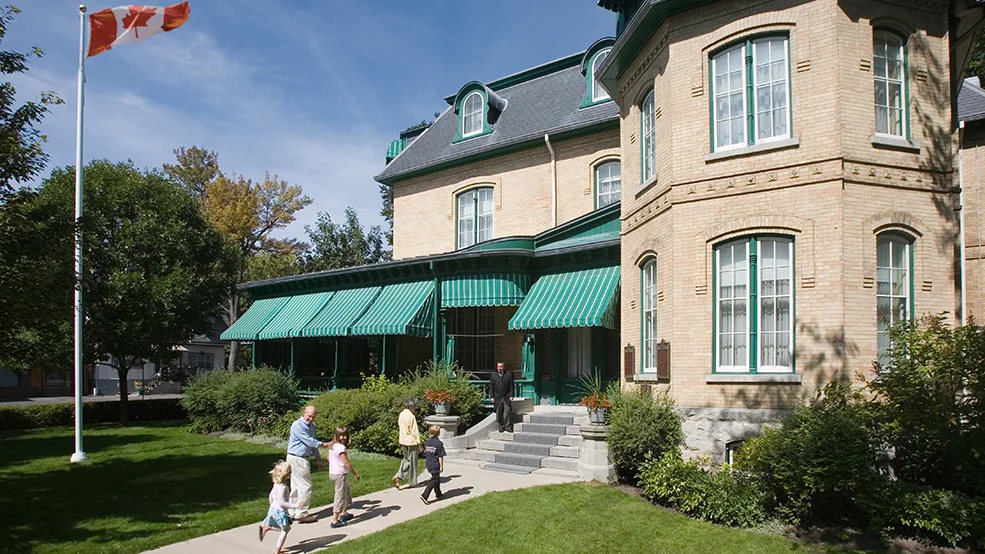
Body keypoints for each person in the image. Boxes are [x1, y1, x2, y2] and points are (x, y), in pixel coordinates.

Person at [286, 405, 330, 523]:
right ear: (304, 413)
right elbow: (309, 441)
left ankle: (293, 512)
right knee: (305, 486)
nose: (310, 419)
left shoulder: (312, 426)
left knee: (296, 486)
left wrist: (318, 458)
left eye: (313, 417)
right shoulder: (297, 425)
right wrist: (324, 444)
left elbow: (312, 443)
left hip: (302, 457)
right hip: (296, 458)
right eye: (309, 416)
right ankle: (301, 513)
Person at [258, 460, 297, 554]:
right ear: (287, 473)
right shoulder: (283, 487)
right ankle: (277, 551)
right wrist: (296, 505)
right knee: (285, 530)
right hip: (280, 511)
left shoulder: (276, 484)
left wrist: (271, 505)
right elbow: (282, 503)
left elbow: (271, 495)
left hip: (273, 509)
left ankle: (266, 527)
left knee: (285, 528)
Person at [328, 426, 360, 528]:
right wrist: (355, 474)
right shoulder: (341, 448)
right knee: (339, 497)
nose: (343, 438)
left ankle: (344, 513)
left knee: (347, 491)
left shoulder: (332, 445)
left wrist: (334, 464)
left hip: (332, 473)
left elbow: (328, 457)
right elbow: (346, 463)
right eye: (341, 435)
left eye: (345, 435)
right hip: (339, 474)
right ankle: (335, 521)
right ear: (336, 436)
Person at [392, 397, 421, 489]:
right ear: (411, 406)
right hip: (411, 441)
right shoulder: (411, 416)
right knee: (413, 463)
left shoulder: (401, 414)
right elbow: (414, 431)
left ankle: (399, 475)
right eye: (415, 406)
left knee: (406, 460)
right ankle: (413, 482)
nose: (416, 408)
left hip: (403, 440)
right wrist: (419, 443)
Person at [420, 425, 447, 505]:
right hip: (435, 464)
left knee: (437, 479)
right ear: (438, 433)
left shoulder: (428, 442)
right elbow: (440, 456)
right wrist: (441, 466)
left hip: (428, 463)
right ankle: (425, 495)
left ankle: (438, 493)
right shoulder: (439, 443)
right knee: (434, 479)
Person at [490, 361, 514, 432]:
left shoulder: (509, 375)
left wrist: (511, 395)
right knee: (499, 412)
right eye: (498, 367)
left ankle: (508, 426)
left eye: (500, 367)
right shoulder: (493, 376)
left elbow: (511, 387)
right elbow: (491, 387)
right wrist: (492, 397)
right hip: (497, 397)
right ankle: (501, 426)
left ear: (503, 367)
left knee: (507, 410)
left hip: (506, 396)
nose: (499, 368)